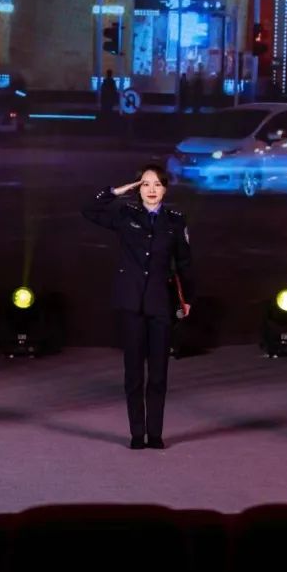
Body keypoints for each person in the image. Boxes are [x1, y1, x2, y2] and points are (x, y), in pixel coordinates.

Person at [82, 164, 195, 450]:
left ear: (165, 189)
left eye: (157, 184)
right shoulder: (126, 215)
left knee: (158, 373)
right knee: (133, 373)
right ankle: (137, 433)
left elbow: (185, 264)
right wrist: (117, 191)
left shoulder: (175, 221)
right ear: (137, 189)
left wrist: (187, 299)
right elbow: (88, 209)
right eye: (145, 184)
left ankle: (155, 433)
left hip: (160, 304)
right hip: (131, 302)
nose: (152, 189)